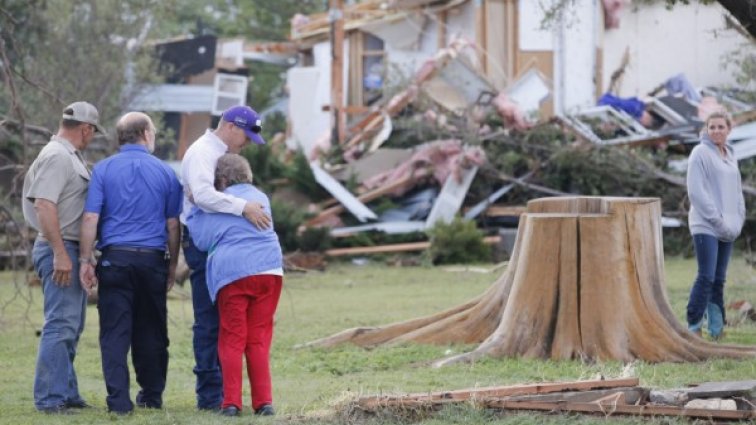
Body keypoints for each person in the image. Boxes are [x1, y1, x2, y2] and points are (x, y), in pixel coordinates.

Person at [78, 112, 182, 414]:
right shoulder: (165, 172)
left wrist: (86, 259)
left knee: (114, 332)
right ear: (146, 135)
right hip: (151, 261)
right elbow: (173, 224)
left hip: (115, 259)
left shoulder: (103, 170)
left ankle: (119, 402)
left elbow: (90, 217)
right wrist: (172, 266)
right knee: (152, 329)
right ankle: (151, 395)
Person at [180, 105, 271, 410]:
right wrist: (243, 206)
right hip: (205, 242)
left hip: (225, 244)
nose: (245, 144)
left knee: (227, 324)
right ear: (231, 126)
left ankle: (226, 396)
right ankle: (210, 396)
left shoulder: (218, 154)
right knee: (209, 320)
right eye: (245, 137)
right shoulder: (204, 152)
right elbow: (203, 197)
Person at [22, 101, 104, 414]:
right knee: (60, 325)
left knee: (72, 325)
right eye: (93, 132)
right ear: (86, 129)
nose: (92, 137)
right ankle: (50, 399)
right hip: (60, 247)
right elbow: (44, 204)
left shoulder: (67, 156)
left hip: (68, 248)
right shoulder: (58, 156)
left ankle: (66, 393)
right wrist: (60, 253)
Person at [187, 153, 283, 417]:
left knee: (232, 337)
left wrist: (195, 207)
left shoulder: (217, 203)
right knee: (259, 338)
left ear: (222, 179)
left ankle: (231, 403)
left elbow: (202, 242)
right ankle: (264, 402)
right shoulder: (261, 198)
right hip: (269, 269)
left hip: (233, 274)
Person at [685, 111, 746, 340]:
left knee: (719, 279)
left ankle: (717, 328)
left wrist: (738, 219)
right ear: (706, 130)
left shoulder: (731, 155)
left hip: (728, 228)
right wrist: (717, 221)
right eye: (712, 127)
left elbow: (737, 192)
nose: (716, 131)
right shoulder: (699, 153)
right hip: (706, 225)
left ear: (729, 129)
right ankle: (693, 327)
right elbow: (696, 193)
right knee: (706, 276)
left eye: (721, 127)